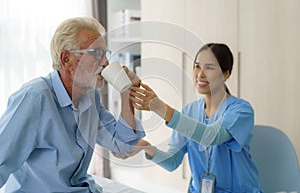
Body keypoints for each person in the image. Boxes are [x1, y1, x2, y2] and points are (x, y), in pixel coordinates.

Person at [0, 17, 144, 192]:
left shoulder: (91, 97)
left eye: (106, 54)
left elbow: (123, 146)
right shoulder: (34, 99)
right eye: (97, 53)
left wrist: (126, 93)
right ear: (66, 59)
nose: (106, 62)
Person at [127, 43, 263, 192]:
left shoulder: (241, 111)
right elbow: (172, 162)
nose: (200, 74)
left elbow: (210, 136)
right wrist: (146, 147)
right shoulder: (189, 111)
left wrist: (160, 108)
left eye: (209, 67)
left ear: (226, 74)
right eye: (197, 66)